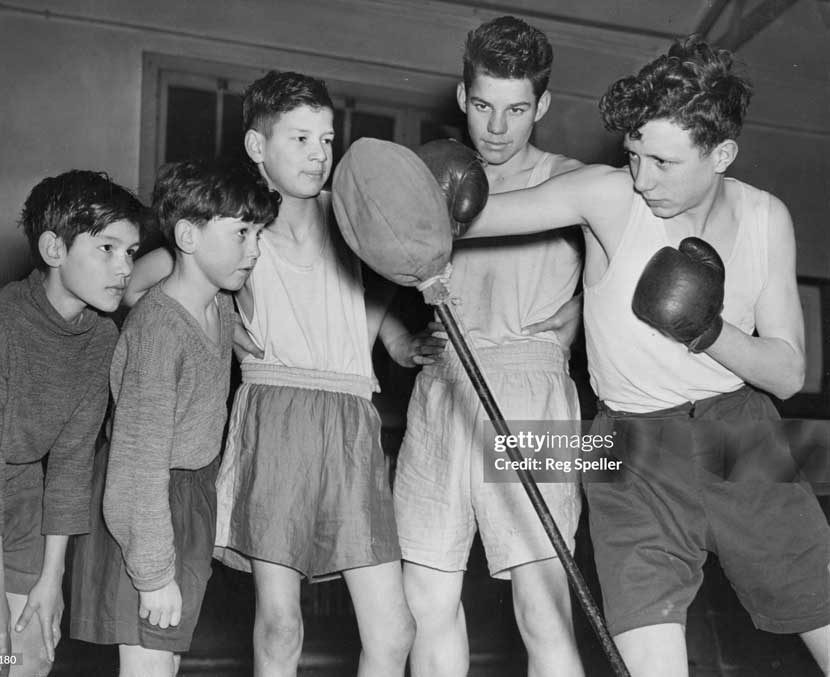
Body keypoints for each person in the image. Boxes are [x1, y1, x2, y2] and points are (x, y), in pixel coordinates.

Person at [460, 36, 830, 677]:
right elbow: (471, 217)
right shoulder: (607, 196)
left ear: (721, 154)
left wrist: (709, 332)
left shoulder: (766, 218)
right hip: (627, 446)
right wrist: (395, 195)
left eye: (663, 162)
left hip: (743, 433)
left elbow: (791, 373)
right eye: (634, 156)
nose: (643, 178)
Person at [125, 71, 416, 677]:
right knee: (282, 624)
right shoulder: (236, 224)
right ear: (258, 148)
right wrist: (222, 325)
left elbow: (390, 273)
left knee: (394, 629)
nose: (319, 154)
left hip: (351, 418)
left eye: (327, 139)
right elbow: (136, 284)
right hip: (276, 413)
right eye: (301, 139)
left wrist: (385, 334)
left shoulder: (353, 215)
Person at [391, 16, 585, 677]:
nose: (497, 127)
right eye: (482, 106)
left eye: (516, 109)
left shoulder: (576, 181)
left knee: (544, 610)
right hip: (443, 387)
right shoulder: (427, 179)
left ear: (543, 105)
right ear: (460, 95)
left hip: (533, 391)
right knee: (427, 602)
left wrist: (576, 319)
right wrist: (397, 336)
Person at [69, 158, 279, 677]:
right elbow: (137, 466)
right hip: (146, 510)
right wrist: (153, 573)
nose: (254, 250)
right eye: (241, 234)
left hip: (187, 503)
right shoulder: (157, 333)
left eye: (257, 234)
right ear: (187, 236)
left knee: (166, 665)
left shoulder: (219, 306)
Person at [0, 171, 145, 676]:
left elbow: (69, 465)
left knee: (27, 658)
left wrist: (51, 578)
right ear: (53, 248)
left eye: (130, 252)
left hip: (21, 506)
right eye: (107, 248)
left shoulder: (101, 338)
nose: (124, 267)